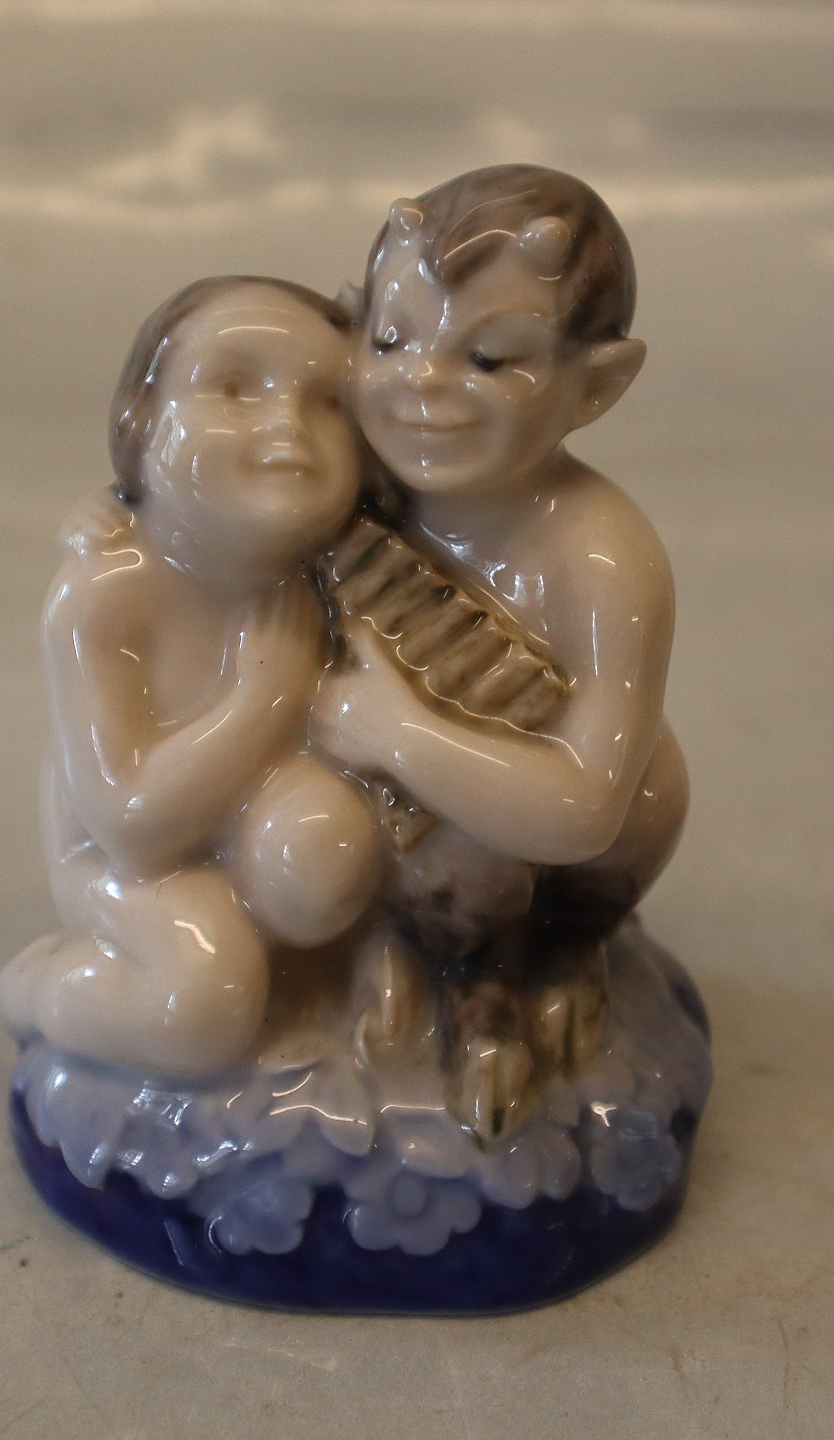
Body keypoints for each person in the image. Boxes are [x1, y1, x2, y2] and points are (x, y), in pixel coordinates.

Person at [315, 166, 688, 1138]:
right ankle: (456, 986)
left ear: (595, 385)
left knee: (649, 788)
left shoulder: (601, 556)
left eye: (487, 358)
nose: (421, 383)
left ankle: (563, 953)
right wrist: (119, 534)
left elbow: (585, 807)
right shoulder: (336, 476)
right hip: (366, 830)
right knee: (394, 847)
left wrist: (400, 734)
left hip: (535, 823)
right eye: (388, 340)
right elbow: (200, 531)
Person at [0, 278, 381, 1077]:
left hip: (260, 816)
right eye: (235, 388)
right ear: (142, 422)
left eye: (329, 403)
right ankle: (38, 991)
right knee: (198, 1007)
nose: (287, 425)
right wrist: (262, 696)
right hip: (128, 861)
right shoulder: (106, 592)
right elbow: (129, 825)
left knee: (327, 854)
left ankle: (292, 981)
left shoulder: (335, 572)